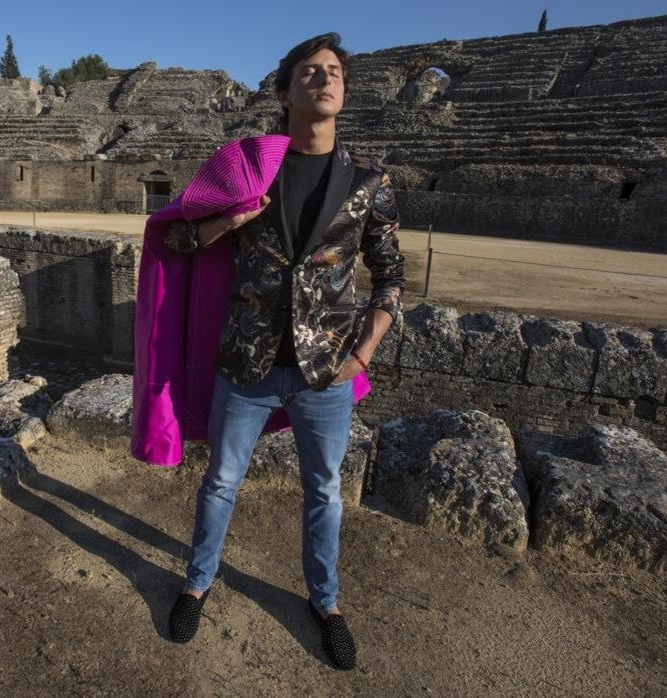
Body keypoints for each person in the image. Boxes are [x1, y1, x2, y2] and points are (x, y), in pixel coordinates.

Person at [162, 32, 406, 670]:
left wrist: (363, 356)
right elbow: (180, 243)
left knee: (324, 491)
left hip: (327, 372)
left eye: (333, 72)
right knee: (220, 481)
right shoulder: (248, 165)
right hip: (246, 364)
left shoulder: (371, 182)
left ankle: (326, 604)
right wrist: (226, 224)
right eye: (309, 71)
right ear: (283, 90)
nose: (323, 79)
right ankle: (196, 584)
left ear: (344, 92)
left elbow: (392, 279)